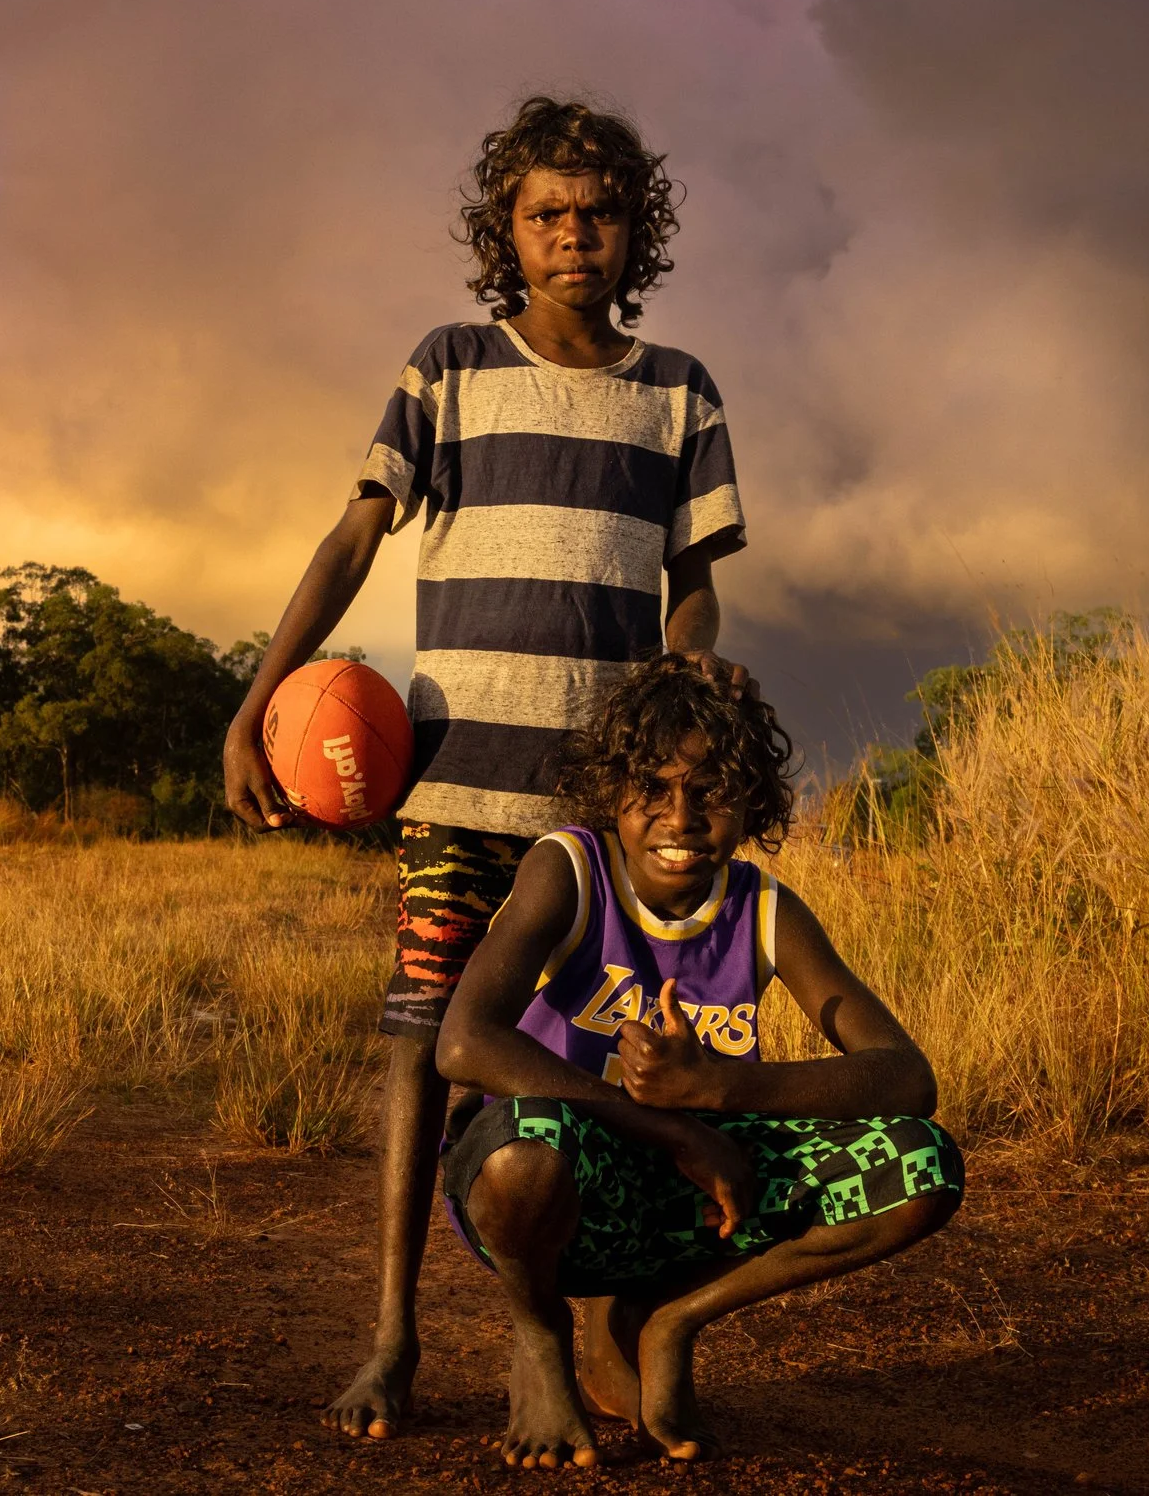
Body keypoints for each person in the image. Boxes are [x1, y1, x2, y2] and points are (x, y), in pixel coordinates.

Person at [222, 95, 750, 1440]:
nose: (575, 234)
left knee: (581, 1067)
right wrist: (257, 698)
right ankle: (393, 1339)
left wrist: (686, 688)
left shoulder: (681, 391)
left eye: (600, 211)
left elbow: (692, 590)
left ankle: (567, 1327)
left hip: (597, 816)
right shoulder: (448, 365)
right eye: (545, 214)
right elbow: (354, 539)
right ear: (504, 233)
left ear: (639, 231)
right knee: (421, 1049)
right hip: (458, 790)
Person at [434, 657, 962, 1466]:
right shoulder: (569, 871)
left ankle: (672, 1319)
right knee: (524, 1154)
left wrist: (722, 1086)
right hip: (546, 1190)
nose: (679, 817)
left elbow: (905, 1076)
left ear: (752, 804)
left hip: (688, 1202)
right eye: (652, 787)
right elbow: (464, 1042)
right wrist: (676, 1128)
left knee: (923, 1166)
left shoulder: (763, 910)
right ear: (613, 792)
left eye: (711, 790)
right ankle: (541, 1338)